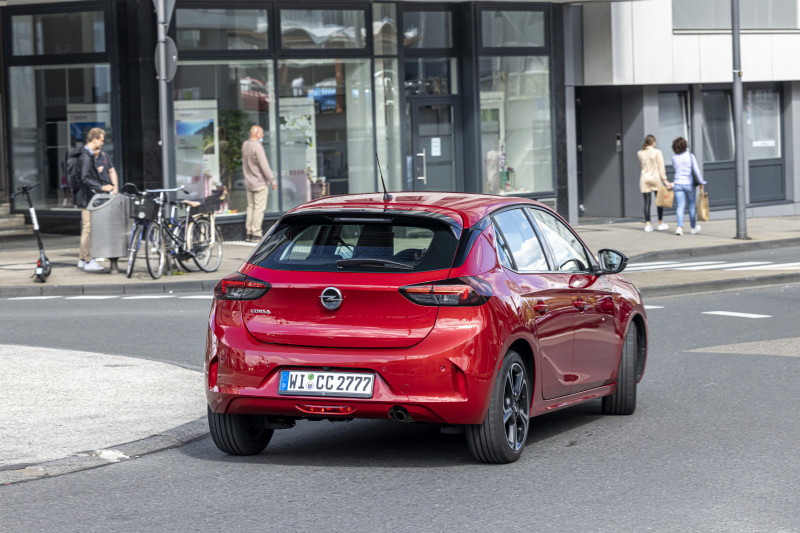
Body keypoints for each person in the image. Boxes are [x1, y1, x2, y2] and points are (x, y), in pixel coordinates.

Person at [71, 127, 113, 271]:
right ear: (94, 139)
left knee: (87, 228)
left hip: (85, 196)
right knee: (88, 228)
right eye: (101, 140)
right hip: (87, 197)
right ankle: (88, 260)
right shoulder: (85, 156)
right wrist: (102, 187)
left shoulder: (86, 154)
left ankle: (83, 259)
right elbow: (84, 178)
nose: (102, 143)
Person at [242, 125, 277, 242]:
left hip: (248, 182)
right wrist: (272, 180)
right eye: (261, 133)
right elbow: (264, 165)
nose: (262, 136)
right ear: (256, 134)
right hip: (259, 182)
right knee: (259, 209)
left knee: (250, 207)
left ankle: (249, 233)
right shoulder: (257, 147)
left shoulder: (245, 145)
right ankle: (256, 234)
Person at [671, 136, 707, 236]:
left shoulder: (673, 157)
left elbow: (675, 168)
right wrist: (701, 182)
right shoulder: (690, 156)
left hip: (678, 183)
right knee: (691, 206)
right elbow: (696, 170)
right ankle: (693, 227)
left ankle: (679, 227)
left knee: (680, 206)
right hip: (689, 184)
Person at [637, 134, 671, 232]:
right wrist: (664, 179)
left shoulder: (640, 153)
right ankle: (660, 223)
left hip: (644, 179)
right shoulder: (657, 152)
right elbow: (661, 166)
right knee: (659, 201)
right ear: (653, 142)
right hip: (656, 178)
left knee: (647, 202)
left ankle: (648, 224)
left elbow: (641, 165)